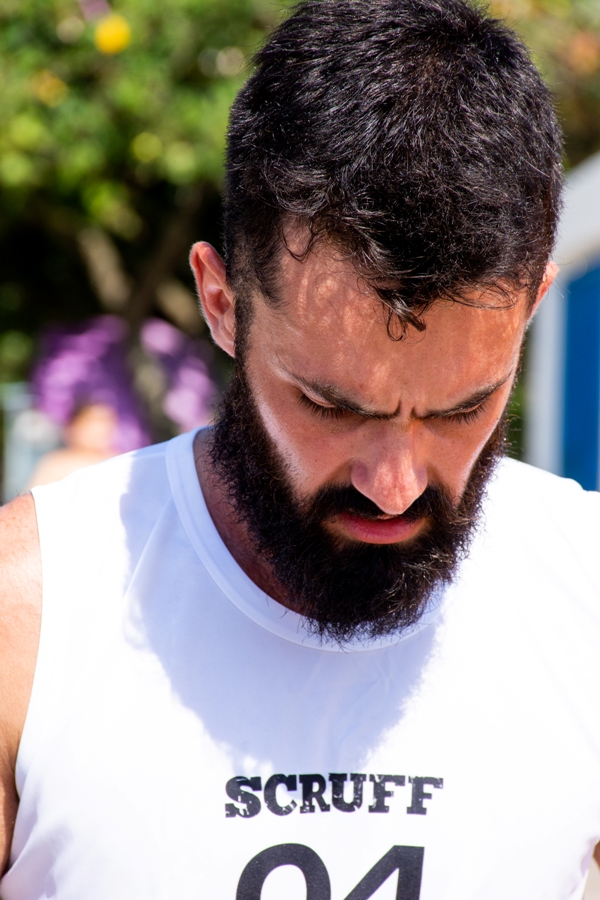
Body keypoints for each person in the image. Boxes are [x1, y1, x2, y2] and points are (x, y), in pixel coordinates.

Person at [1, 0, 599, 897]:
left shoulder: (584, 594)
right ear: (222, 304)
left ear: (532, 311)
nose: (394, 485)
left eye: (460, 409)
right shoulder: (28, 621)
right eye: (329, 405)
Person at [28, 402, 119, 488]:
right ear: (73, 426)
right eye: (93, 421)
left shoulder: (118, 462)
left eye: (106, 421)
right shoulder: (56, 463)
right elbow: (33, 496)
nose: (101, 429)